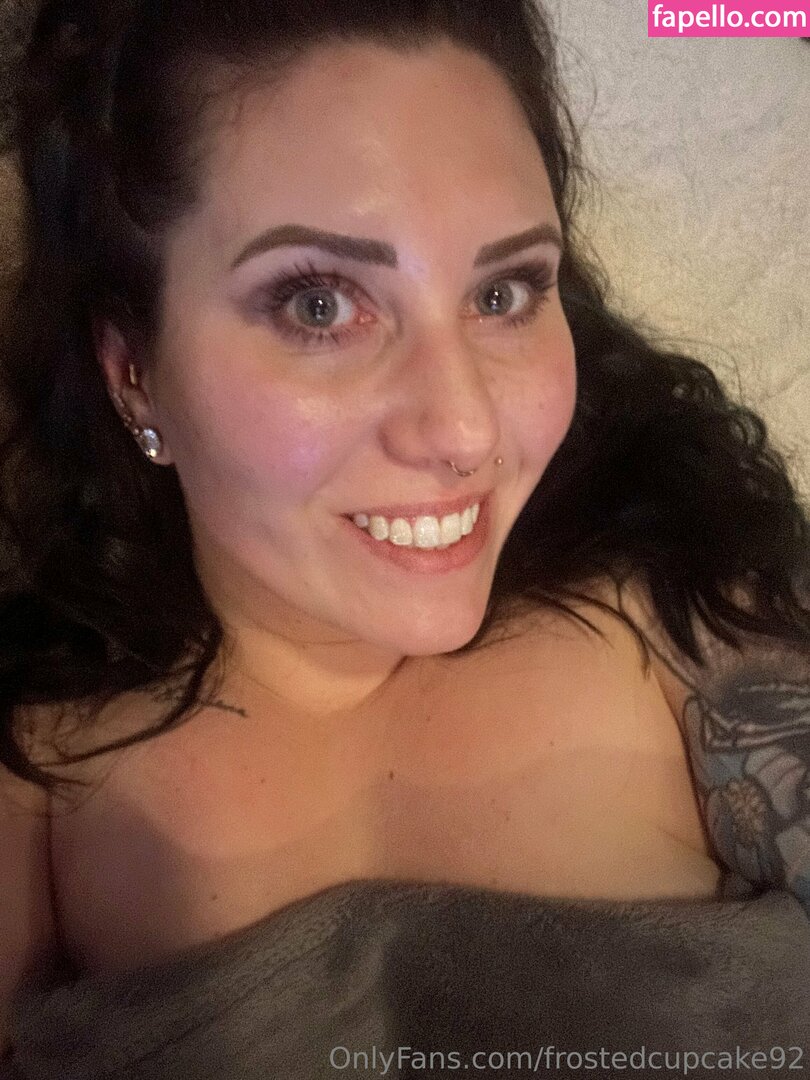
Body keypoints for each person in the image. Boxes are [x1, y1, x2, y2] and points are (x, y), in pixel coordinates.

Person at [1, 0, 809, 1075]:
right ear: (134, 374)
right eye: (320, 307)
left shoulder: (686, 615)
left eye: (504, 292)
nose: (466, 429)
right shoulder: (40, 777)